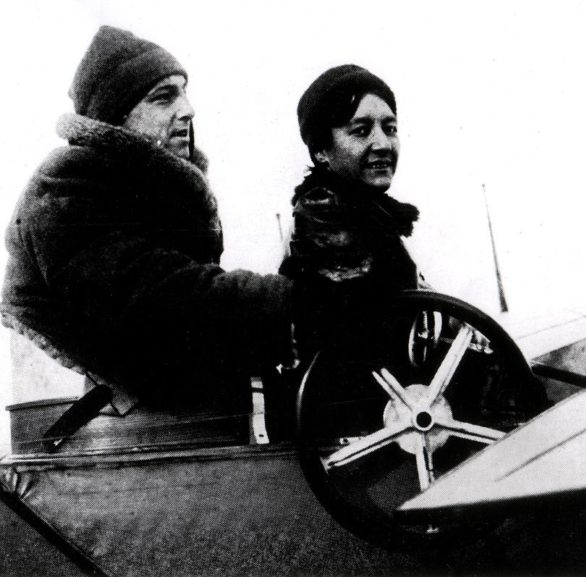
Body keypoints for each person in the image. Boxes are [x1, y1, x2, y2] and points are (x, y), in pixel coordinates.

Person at [1, 26, 297, 407]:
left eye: (184, 92)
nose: (187, 109)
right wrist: (284, 304)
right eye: (164, 97)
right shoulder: (64, 185)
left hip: (140, 424)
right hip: (78, 435)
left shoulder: (154, 192)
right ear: (116, 115)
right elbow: (150, 299)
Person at [279, 64, 423, 354]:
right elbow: (365, 343)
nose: (382, 143)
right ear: (321, 150)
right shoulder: (325, 220)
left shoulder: (371, 215)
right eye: (361, 131)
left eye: (390, 128)